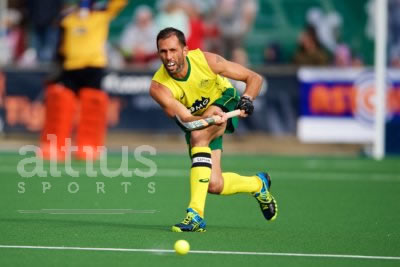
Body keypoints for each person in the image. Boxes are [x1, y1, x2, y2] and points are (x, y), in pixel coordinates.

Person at [150, 27, 278, 232]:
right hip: (199, 119)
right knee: (214, 184)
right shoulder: (159, 88)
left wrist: (247, 99)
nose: (168, 57)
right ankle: (257, 184)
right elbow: (187, 118)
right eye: (163, 52)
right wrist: (207, 119)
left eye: (173, 50)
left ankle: (195, 215)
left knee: (198, 136)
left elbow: (254, 78)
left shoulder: (206, 60)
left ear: (185, 50)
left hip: (225, 99)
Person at [39, 0, 127, 161]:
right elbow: (60, 40)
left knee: (92, 108)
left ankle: (88, 147)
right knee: (60, 106)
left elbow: (118, 3)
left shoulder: (101, 16)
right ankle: (54, 146)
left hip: (93, 68)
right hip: (69, 67)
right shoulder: (68, 18)